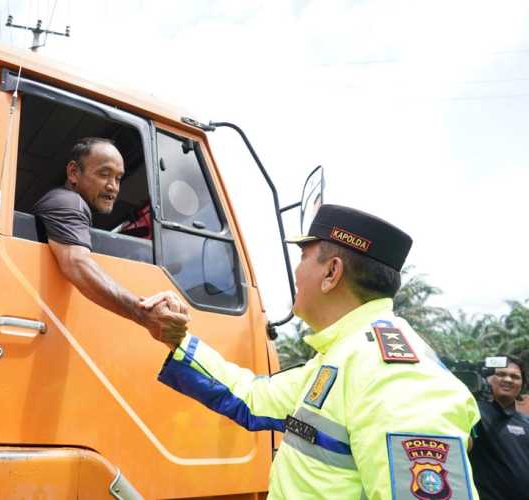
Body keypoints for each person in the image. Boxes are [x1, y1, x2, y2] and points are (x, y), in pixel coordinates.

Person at [142, 204, 480, 499]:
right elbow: (253, 398)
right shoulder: (339, 357)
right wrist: (178, 339)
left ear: (332, 273)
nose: (297, 272)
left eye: (303, 257)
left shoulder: (396, 375)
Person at [32, 137, 188, 345]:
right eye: (104, 174)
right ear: (73, 173)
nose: (113, 186)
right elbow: (77, 264)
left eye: (118, 178)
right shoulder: (69, 202)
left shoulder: (69, 204)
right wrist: (144, 314)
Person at [469, 355, 529, 500]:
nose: (508, 379)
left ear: (522, 384)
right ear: (488, 379)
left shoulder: (526, 423)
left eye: (515, 376)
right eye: (501, 374)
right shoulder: (474, 412)